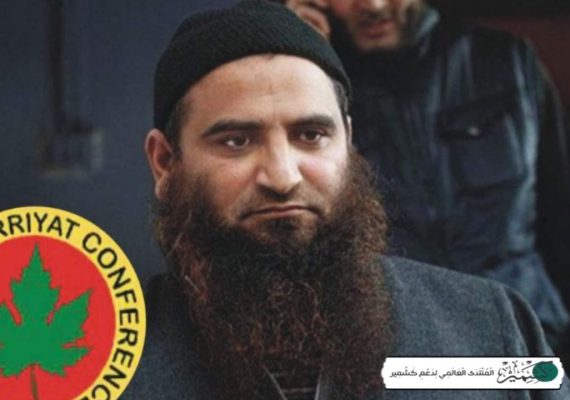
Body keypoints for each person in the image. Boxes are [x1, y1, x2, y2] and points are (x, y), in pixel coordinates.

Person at [124, 1, 569, 399]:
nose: (283, 177)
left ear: (349, 142)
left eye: (311, 135)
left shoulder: (490, 327)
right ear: (165, 162)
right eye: (236, 141)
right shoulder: (104, 357)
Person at [283, 0, 570, 351]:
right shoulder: (317, 89)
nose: (373, 5)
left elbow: (561, 209)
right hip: (404, 344)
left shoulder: (505, 61)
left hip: (530, 330)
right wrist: (296, 57)